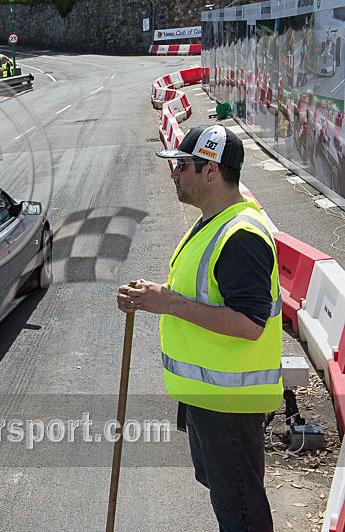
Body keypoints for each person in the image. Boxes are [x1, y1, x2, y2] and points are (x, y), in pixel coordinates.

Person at [117, 125, 282, 532]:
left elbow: (249, 324)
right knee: (227, 497)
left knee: (240, 509)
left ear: (212, 171)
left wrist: (168, 302)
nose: (174, 172)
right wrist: (150, 298)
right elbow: (200, 293)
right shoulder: (212, 223)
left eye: (183, 165)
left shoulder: (241, 236)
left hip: (229, 402)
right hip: (208, 395)